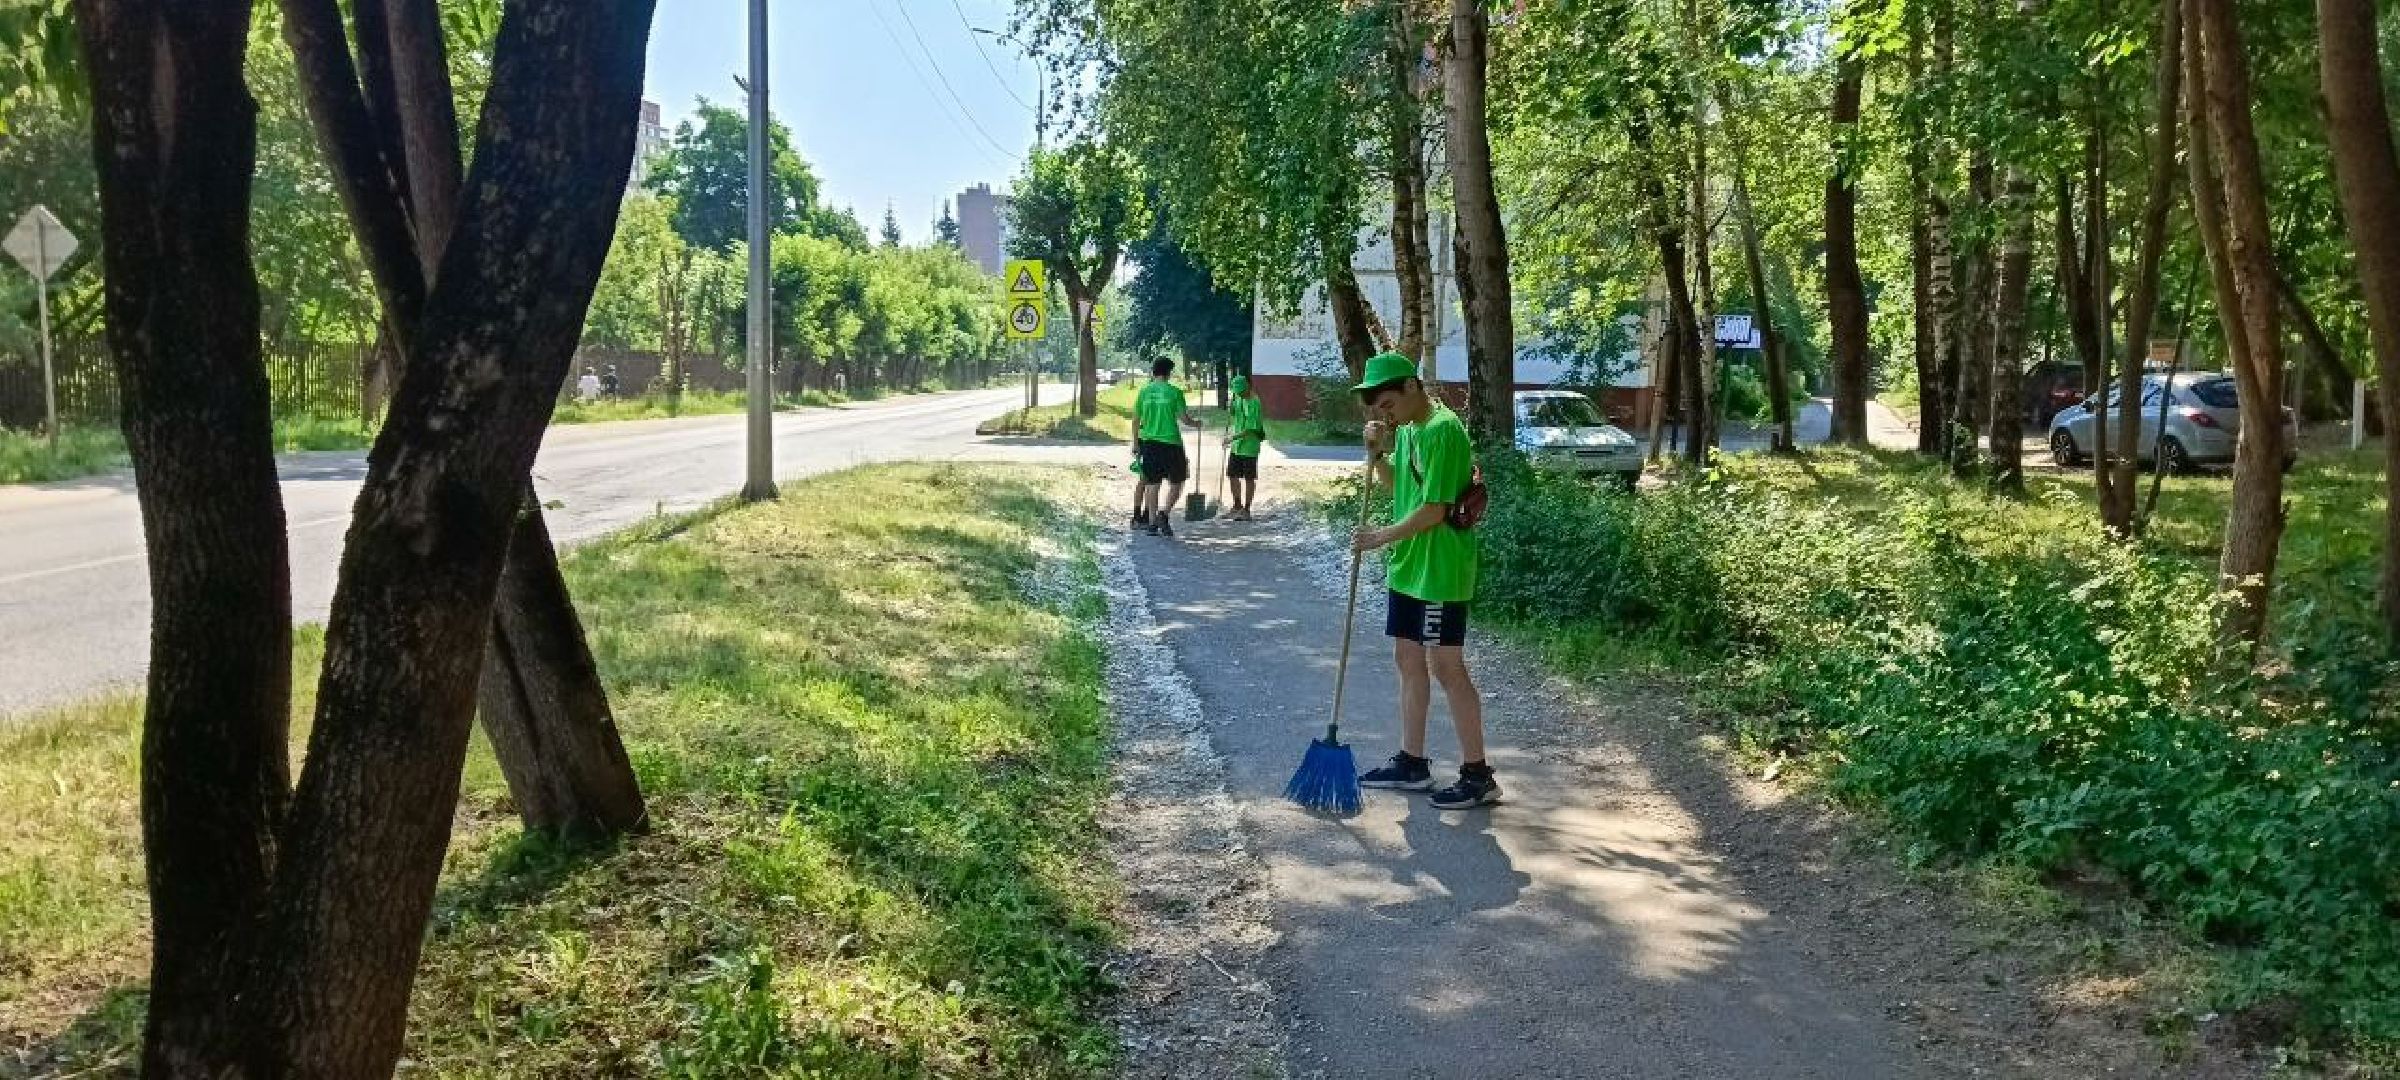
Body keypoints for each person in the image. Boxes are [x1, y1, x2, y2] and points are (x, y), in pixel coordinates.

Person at [1348, 352, 1499, 810]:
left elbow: (1435, 510)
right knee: (1407, 659)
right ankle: (1412, 762)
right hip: (1410, 567)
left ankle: (1478, 774)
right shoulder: (1412, 431)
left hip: (1439, 571)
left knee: (1447, 668)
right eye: (1379, 411)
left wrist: (1379, 537)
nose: (1385, 416)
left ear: (1412, 387)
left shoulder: (1442, 430)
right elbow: (1401, 490)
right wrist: (1377, 457)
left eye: (1388, 405)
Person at [1131, 356, 1197, 538]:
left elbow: (1136, 420)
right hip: (1171, 443)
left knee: (1152, 483)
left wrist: (1136, 443)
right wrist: (1196, 423)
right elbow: (1184, 419)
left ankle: (1152, 523)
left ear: (1153, 372)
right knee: (1177, 481)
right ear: (1169, 373)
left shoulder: (1144, 392)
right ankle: (1164, 513)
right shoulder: (1174, 392)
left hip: (1149, 444)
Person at [1225, 374, 1266, 521]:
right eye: (1237, 392)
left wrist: (1231, 438)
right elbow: (1234, 414)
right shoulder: (1237, 398)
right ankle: (1237, 505)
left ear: (1247, 388)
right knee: (1232, 475)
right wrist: (1230, 407)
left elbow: (1250, 429)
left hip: (1249, 446)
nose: (1240, 394)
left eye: (1241, 392)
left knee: (1249, 478)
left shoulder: (1255, 403)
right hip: (1237, 447)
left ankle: (1246, 510)